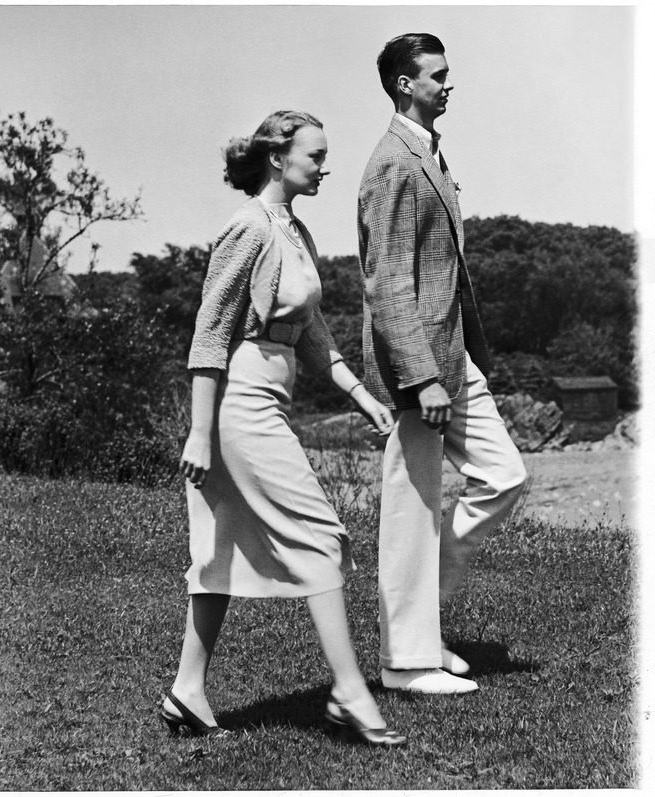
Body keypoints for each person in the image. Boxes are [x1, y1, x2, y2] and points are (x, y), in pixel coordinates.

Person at [161, 110, 405, 747]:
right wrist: (199, 430)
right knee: (322, 537)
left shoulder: (293, 230)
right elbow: (210, 334)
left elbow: (313, 333)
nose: (324, 167)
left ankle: (187, 690)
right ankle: (350, 691)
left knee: (221, 548)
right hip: (239, 400)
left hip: (269, 391)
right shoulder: (247, 227)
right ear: (277, 158)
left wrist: (360, 396)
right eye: (315, 156)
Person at [357, 34, 527, 695]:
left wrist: (449, 364)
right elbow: (386, 279)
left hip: (454, 356)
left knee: (504, 476)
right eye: (438, 76)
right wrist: (421, 374)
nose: (448, 85)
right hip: (419, 365)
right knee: (412, 505)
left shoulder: (428, 151)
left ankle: (424, 623)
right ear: (406, 84)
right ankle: (405, 661)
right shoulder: (392, 163)